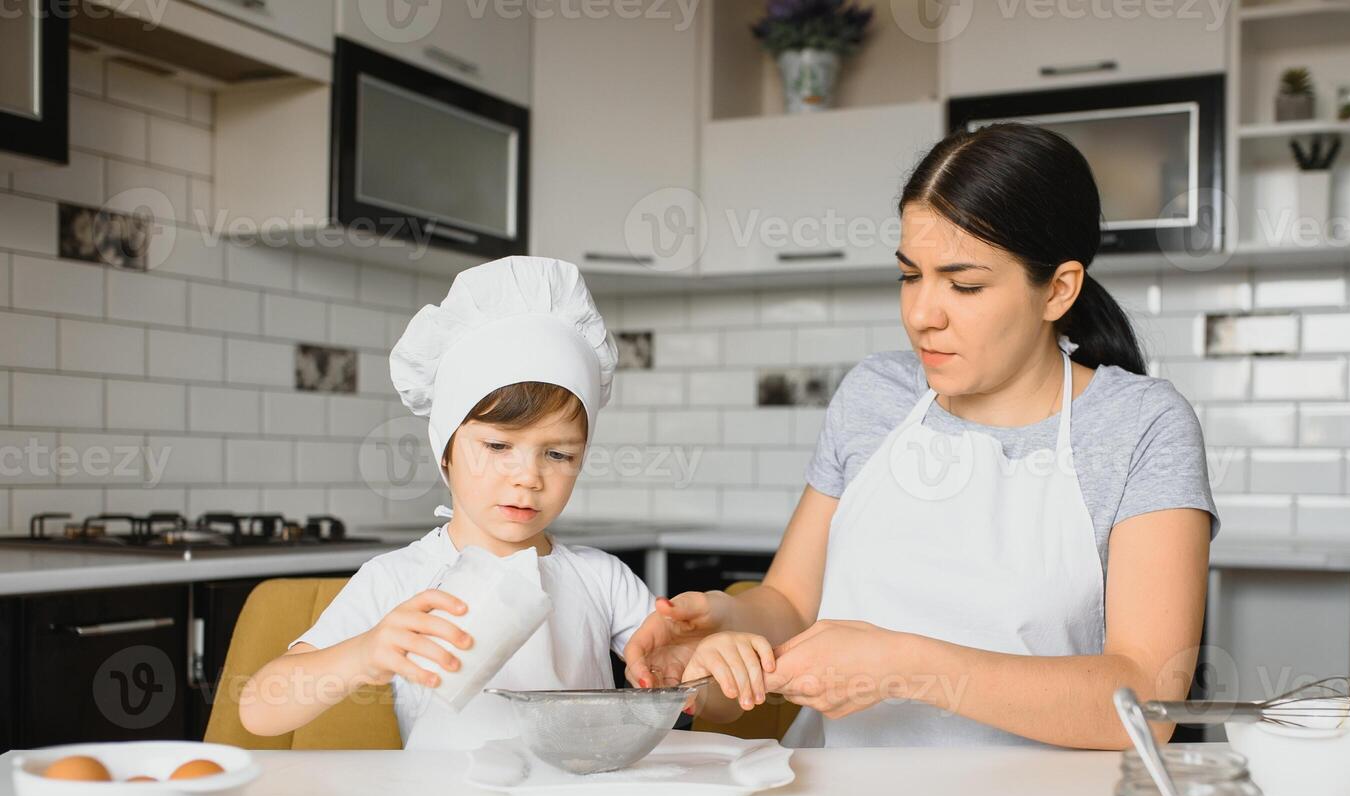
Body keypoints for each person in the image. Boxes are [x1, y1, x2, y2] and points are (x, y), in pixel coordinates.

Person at [630, 123, 1220, 749]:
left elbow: (1146, 705)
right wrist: (725, 624)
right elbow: (791, 605)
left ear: (1058, 289)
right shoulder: (875, 394)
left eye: (964, 285)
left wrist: (905, 667)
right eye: (911, 276)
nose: (921, 315)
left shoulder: (1140, 426)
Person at [239, 256, 664, 749]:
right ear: (445, 450)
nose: (528, 477)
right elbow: (259, 710)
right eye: (498, 447)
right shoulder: (397, 580)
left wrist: (708, 656)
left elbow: (685, 679)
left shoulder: (601, 580)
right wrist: (363, 654)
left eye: (557, 453)